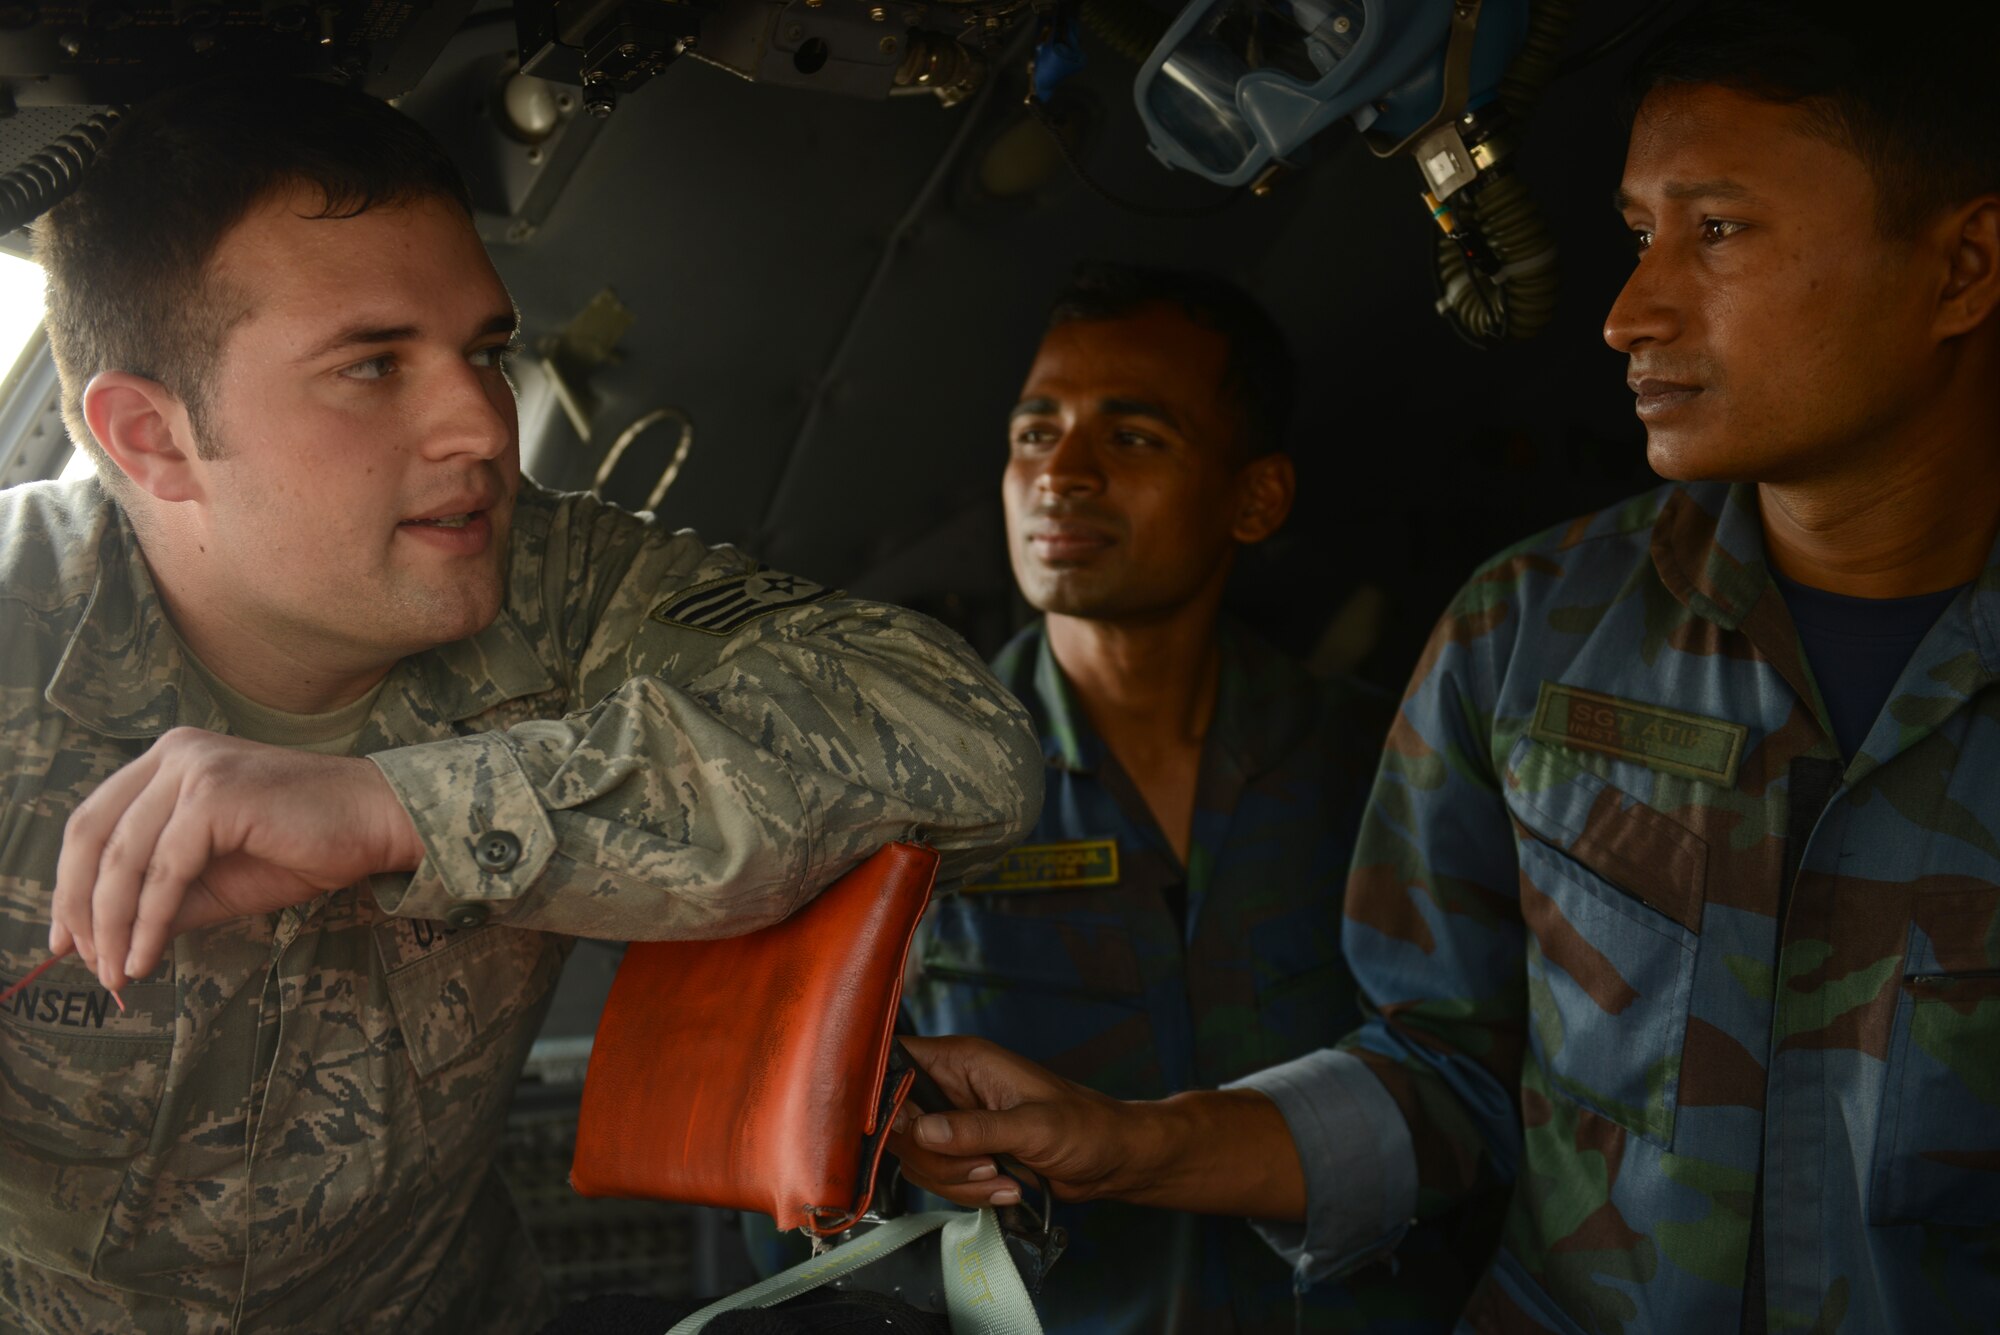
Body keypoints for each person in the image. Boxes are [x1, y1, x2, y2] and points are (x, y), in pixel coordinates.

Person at [889, 3, 2000, 1331]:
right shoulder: (1527, 633)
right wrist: (1137, 1140)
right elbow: (1442, 1067)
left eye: (1717, 231)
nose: (1628, 311)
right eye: (1641, 236)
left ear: (1963, 266)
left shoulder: (1342, 725)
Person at [0, 77, 1041, 1332]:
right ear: (149, 436)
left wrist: (404, 810)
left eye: (486, 354)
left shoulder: (557, 590)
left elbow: (962, 746)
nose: (481, 429)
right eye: (371, 365)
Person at [894, 265, 1488, 1333]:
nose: (1060, 474)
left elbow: (1479, 1100)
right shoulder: (904, 793)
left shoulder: (1386, 761)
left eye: (1130, 438)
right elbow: (806, 1179)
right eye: (1035, 434)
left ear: (1253, 498)